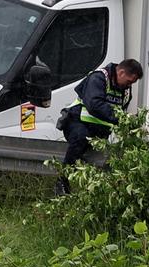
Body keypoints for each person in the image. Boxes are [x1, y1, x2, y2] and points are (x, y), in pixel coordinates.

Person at [54, 58, 143, 193]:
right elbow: (94, 105)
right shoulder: (98, 78)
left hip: (99, 130)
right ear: (121, 73)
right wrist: (120, 117)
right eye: (129, 81)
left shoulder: (125, 91)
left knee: (104, 155)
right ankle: (62, 182)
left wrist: (131, 122)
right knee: (80, 138)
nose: (129, 85)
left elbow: (120, 112)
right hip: (77, 121)